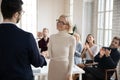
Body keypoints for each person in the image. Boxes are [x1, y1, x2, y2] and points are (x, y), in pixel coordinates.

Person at [0, 0, 47, 80]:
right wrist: (43, 57)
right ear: (16, 14)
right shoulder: (27, 37)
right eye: (21, 12)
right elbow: (37, 62)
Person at [48, 14, 76, 80]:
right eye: (58, 21)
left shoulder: (71, 39)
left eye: (62, 22)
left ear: (67, 26)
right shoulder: (52, 37)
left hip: (64, 69)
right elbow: (50, 55)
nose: (58, 23)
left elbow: (71, 57)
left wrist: (70, 73)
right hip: (52, 68)